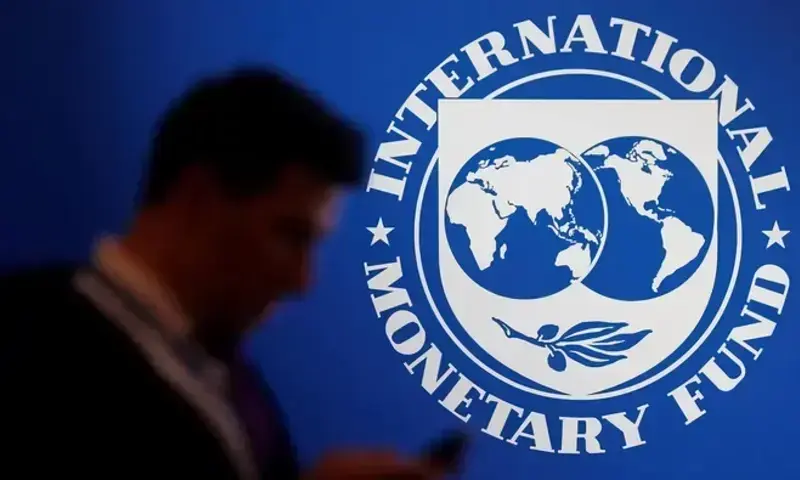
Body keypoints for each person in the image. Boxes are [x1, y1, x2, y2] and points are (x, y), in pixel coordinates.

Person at [0, 68, 444, 479]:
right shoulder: (31, 352)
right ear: (198, 199)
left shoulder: (224, 374)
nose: (303, 280)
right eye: (291, 235)